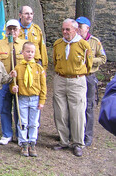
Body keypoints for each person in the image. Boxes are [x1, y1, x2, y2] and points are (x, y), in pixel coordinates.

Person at [52, 18, 92, 157]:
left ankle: (78, 143)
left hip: (77, 80)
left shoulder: (83, 45)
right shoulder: (58, 44)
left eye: (68, 29)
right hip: (60, 79)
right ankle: (63, 141)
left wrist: (77, 73)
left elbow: (89, 64)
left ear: (75, 30)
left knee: (77, 112)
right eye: (63, 29)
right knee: (60, 111)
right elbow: (55, 61)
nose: (64, 32)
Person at [11, 42, 47, 157]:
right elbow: (12, 85)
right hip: (22, 99)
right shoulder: (17, 68)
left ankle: (32, 142)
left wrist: (42, 101)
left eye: (32, 52)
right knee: (22, 122)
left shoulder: (38, 68)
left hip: (35, 99)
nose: (30, 54)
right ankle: (23, 143)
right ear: (22, 52)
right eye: (27, 51)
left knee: (34, 122)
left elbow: (43, 87)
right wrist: (13, 88)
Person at [75, 16, 107, 146]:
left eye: (80, 27)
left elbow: (103, 58)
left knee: (89, 106)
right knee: (75, 105)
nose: (78, 29)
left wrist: (89, 60)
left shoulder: (95, 42)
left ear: (87, 28)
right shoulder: (73, 41)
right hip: (76, 76)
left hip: (89, 76)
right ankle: (75, 133)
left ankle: (87, 136)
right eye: (76, 26)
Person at [0, 19, 26, 145]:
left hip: (19, 82)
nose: (12, 31)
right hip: (4, 82)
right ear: (6, 30)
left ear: (19, 31)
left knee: (19, 109)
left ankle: (20, 134)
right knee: (4, 108)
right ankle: (7, 133)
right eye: (10, 29)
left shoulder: (24, 44)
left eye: (15, 29)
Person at [18, 6, 48, 70]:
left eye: (31, 14)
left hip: (35, 64)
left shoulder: (37, 29)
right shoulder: (14, 29)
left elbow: (42, 49)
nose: (29, 16)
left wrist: (44, 67)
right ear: (20, 15)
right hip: (20, 65)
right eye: (26, 14)